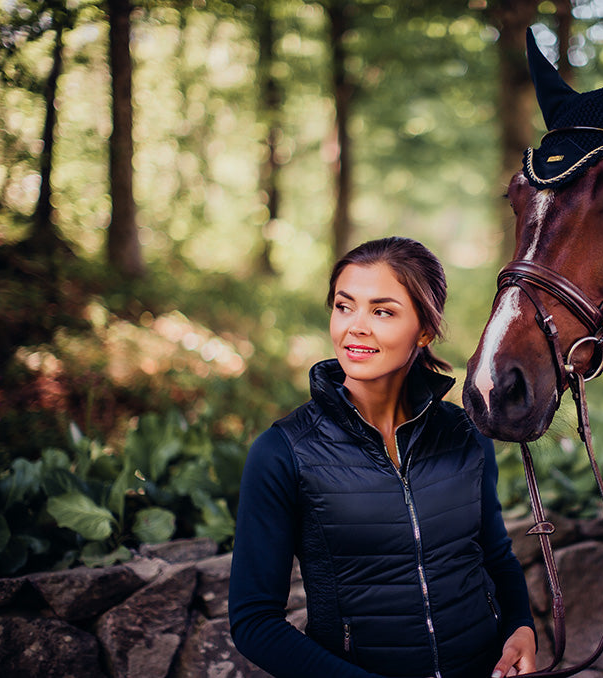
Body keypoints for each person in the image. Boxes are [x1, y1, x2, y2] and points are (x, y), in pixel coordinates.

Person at [229, 236, 537, 678]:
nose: (355, 326)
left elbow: (496, 557)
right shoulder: (283, 453)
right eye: (343, 305)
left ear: (425, 330)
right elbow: (254, 621)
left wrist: (521, 627)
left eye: (382, 311)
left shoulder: (465, 433)